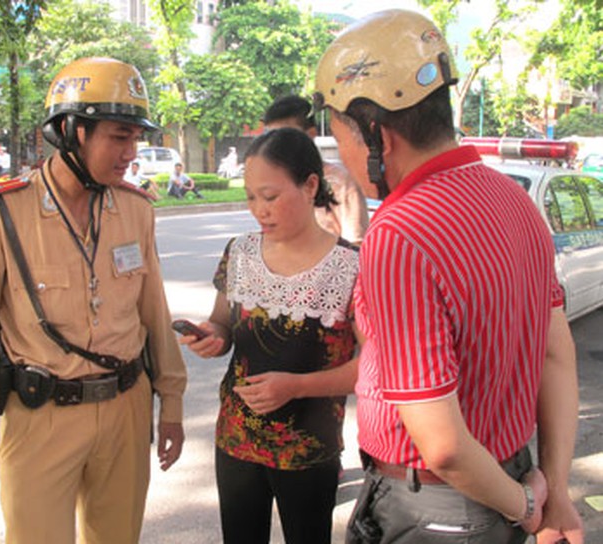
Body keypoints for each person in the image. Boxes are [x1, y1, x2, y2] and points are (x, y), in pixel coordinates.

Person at [314, 9, 583, 543]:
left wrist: (528, 506)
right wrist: (553, 488)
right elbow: (556, 355)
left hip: (436, 510)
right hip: (508, 479)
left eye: (339, 133)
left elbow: (443, 444)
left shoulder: (399, 233)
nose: (339, 156)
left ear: (377, 134)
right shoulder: (516, 200)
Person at [0, 57, 187, 544]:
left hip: (126, 412)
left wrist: (171, 400)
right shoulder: (1, 213)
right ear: (72, 130)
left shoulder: (134, 210)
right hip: (42, 417)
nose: (131, 152)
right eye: (119, 136)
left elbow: (152, 313)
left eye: (135, 137)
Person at [179, 127, 360, 544]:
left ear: (311, 185)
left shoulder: (351, 266)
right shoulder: (239, 253)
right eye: (251, 197)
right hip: (236, 439)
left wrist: (296, 387)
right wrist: (211, 336)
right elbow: (222, 323)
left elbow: (371, 367)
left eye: (271, 196)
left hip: (308, 448)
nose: (260, 210)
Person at [263, 95, 369, 246]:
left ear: (311, 134)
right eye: (270, 137)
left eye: (286, 136)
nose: (276, 145)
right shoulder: (270, 184)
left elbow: (356, 244)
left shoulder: (339, 181)